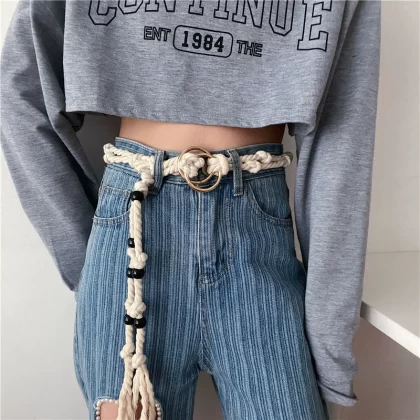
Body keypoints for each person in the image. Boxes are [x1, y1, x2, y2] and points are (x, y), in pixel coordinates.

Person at [0, 0, 381, 419]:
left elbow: (341, 142)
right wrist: (88, 262)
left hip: (256, 241)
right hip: (133, 238)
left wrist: (329, 337)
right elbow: (22, 90)